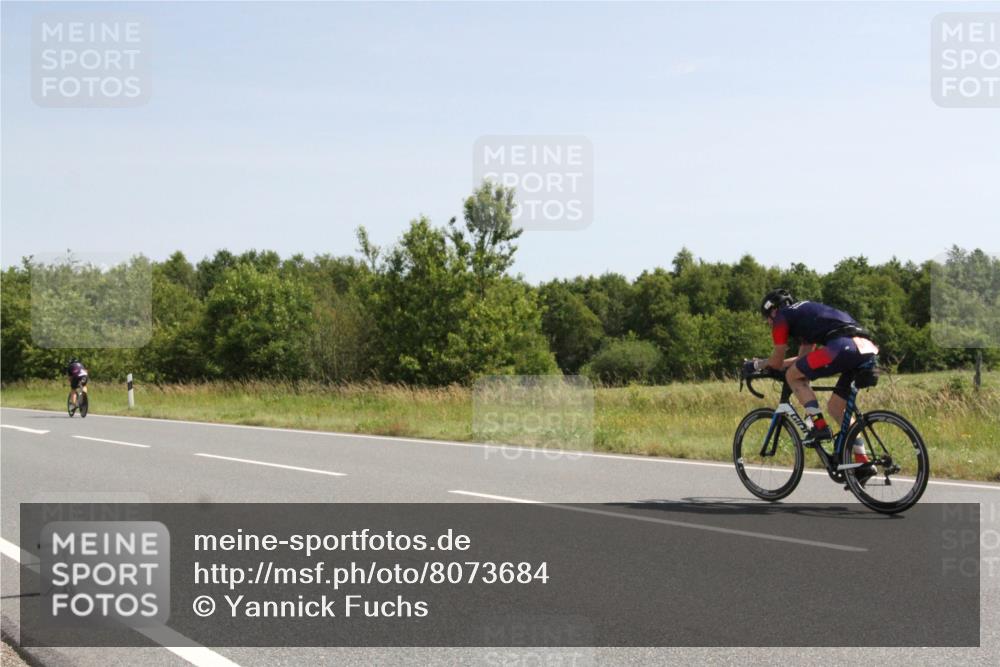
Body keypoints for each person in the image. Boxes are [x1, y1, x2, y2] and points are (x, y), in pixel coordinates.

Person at [746, 289, 879, 482]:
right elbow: (802, 359)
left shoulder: (781, 317)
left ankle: (819, 425)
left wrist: (755, 365)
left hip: (842, 346)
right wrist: (776, 364)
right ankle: (863, 461)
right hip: (865, 348)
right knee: (835, 408)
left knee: (793, 376)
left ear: (773, 310)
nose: (768, 322)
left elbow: (777, 360)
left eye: (767, 318)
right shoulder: (806, 315)